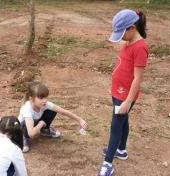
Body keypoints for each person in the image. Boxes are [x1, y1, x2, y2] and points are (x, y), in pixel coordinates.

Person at [97, 9, 149, 176]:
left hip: (125, 95)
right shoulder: (129, 42)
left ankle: (108, 164)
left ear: (132, 28)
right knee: (123, 121)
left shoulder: (140, 47)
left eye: (121, 33)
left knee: (115, 126)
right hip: (117, 92)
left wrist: (127, 101)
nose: (120, 37)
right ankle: (121, 150)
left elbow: (137, 78)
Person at [17, 82, 88, 153]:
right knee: (24, 124)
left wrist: (80, 120)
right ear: (31, 99)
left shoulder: (45, 104)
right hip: (23, 128)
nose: (44, 100)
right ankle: (24, 138)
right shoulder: (27, 109)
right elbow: (31, 134)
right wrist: (41, 124)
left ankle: (45, 130)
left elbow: (63, 111)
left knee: (52, 110)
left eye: (45, 97)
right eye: (41, 98)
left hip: (34, 122)